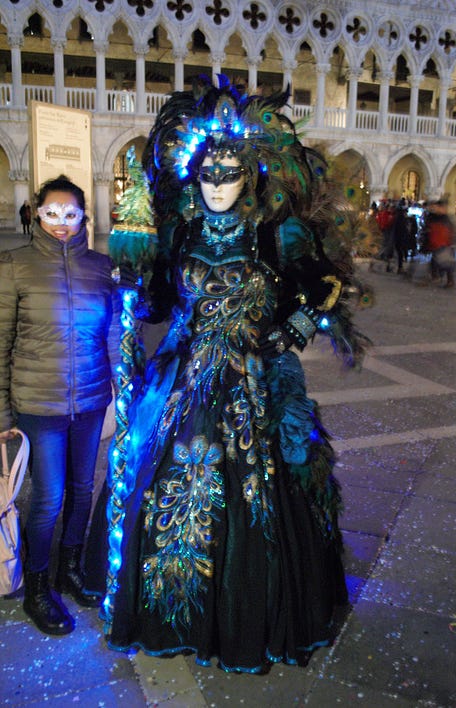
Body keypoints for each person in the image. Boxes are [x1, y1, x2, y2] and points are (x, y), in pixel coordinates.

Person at [85, 78, 368, 673]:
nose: (217, 185)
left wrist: (296, 324)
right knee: (156, 479)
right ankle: (171, 614)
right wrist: (135, 289)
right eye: (208, 174)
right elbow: (164, 300)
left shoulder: (274, 231)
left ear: (249, 175)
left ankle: (246, 618)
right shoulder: (184, 230)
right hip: (185, 376)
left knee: (262, 495)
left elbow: (324, 283)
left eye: (228, 174)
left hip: (252, 377)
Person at [0, 175, 121, 636]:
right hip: (39, 404)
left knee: (83, 489)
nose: (61, 223)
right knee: (48, 499)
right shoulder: (13, 265)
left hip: (89, 400)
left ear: (83, 217)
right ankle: (36, 587)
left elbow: (112, 332)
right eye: (51, 213)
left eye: (71, 214)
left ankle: (69, 570)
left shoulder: (100, 267)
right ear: (36, 213)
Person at [423, 199, 456, 287]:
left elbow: (448, 231)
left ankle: (443, 279)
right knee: (437, 261)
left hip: (443, 244)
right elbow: (429, 230)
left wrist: (450, 242)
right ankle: (439, 277)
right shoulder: (433, 217)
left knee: (445, 263)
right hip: (437, 244)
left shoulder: (443, 218)